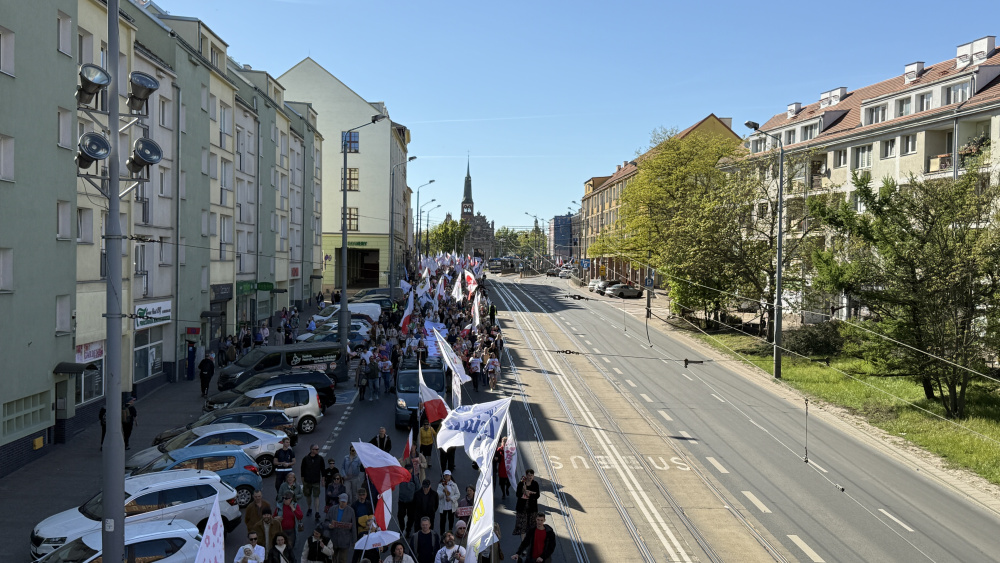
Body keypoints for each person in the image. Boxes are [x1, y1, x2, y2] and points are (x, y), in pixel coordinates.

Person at [325, 493, 356, 563]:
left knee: (342, 560)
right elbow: (325, 522)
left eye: (344, 502)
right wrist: (329, 525)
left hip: (344, 540)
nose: (343, 503)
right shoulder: (332, 509)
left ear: (347, 502)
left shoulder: (351, 511)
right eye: (342, 501)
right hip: (333, 539)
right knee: (332, 559)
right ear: (339, 501)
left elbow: (353, 527)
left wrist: (354, 541)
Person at [301, 444, 326, 519]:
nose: (318, 450)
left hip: (316, 481)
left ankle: (317, 512)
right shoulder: (305, 459)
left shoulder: (320, 459)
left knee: (316, 496)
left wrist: (323, 480)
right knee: (308, 496)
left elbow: (323, 470)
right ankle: (309, 508)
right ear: (312, 450)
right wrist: (303, 482)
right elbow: (302, 471)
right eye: (316, 449)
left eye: (318, 449)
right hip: (307, 481)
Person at [512, 470, 540, 537]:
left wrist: (528, 494)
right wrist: (525, 492)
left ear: (533, 476)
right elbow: (518, 494)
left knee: (531, 527)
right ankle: (523, 542)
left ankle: (529, 540)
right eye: (529, 475)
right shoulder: (521, 484)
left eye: (531, 475)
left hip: (532, 509)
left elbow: (537, 495)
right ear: (526, 475)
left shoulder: (535, 484)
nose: (530, 477)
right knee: (523, 528)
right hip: (522, 509)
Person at [436, 471, 459, 535]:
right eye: (445, 475)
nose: (446, 476)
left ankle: (450, 534)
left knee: (451, 521)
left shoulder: (454, 485)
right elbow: (438, 495)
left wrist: (451, 498)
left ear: (450, 476)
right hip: (443, 507)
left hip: (451, 507)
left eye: (448, 475)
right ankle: (442, 535)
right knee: (442, 522)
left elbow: (458, 494)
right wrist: (443, 492)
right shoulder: (440, 485)